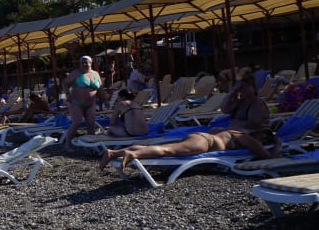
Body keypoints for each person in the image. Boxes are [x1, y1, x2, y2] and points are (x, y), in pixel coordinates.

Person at [100, 128, 281, 171]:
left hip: (201, 137)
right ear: (263, 137)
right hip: (205, 143)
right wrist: (278, 146)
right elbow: (268, 157)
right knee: (167, 152)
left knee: (161, 148)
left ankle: (114, 153)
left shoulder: (236, 132)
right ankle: (133, 154)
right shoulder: (250, 139)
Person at [61, 56, 102, 151]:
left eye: (86, 62)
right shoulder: (76, 73)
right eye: (82, 63)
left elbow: (100, 88)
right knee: (76, 123)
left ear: (91, 63)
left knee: (91, 124)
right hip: (76, 102)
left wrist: (104, 100)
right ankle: (67, 145)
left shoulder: (95, 74)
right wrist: (67, 94)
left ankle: (91, 145)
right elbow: (65, 83)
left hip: (91, 103)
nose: (84, 64)